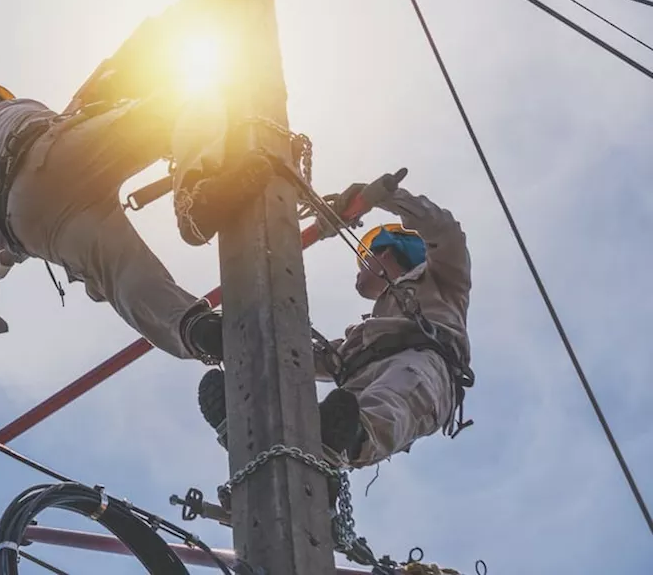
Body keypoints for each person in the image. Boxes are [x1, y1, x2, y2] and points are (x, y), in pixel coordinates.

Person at [0, 77, 247, 364]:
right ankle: (195, 193)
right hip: (56, 149)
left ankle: (195, 329)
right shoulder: (23, 107)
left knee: (121, 272)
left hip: (27, 217)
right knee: (179, 103)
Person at [198, 183, 474, 467]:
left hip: (422, 366)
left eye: (366, 258)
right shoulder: (365, 334)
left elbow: (447, 232)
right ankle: (250, 422)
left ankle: (350, 438)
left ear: (386, 253)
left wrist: (386, 197)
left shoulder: (443, 281)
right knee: (321, 424)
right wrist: (242, 347)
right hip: (358, 384)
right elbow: (306, 359)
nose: (361, 268)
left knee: (388, 402)